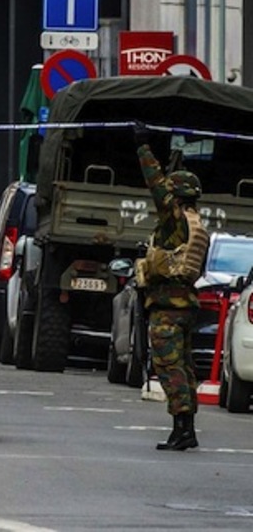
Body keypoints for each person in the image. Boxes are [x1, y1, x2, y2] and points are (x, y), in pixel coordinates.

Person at [134, 123, 210, 451]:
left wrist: (143, 147)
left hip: (167, 305)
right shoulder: (198, 226)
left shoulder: (175, 222)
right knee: (186, 368)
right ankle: (187, 429)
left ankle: (181, 429)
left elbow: (156, 186)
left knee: (169, 367)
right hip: (185, 304)